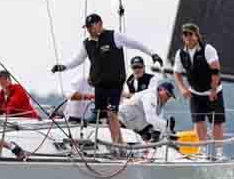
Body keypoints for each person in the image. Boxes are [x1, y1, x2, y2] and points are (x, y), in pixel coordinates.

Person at [51, 13, 163, 144]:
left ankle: (118, 144)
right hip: (99, 85)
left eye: (90, 27)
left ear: (99, 24)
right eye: (87, 28)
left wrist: (152, 54)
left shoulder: (114, 36)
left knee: (111, 113)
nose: (88, 30)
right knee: (102, 116)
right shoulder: (87, 43)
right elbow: (78, 59)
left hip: (115, 84)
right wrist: (63, 67)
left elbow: (135, 44)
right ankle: (118, 142)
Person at [173, 23, 225, 154]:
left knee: (216, 122)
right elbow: (177, 73)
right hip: (195, 93)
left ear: (197, 35)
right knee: (198, 122)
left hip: (213, 91)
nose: (188, 37)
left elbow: (215, 70)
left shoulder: (208, 49)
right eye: (185, 34)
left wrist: (213, 90)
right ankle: (202, 150)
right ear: (182, 37)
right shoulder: (180, 53)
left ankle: (218, 151)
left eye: (191, 34)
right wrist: (182, 89)